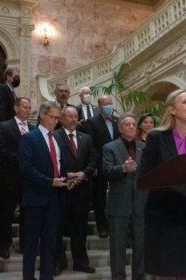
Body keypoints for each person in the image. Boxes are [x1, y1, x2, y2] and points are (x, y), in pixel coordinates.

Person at [138, 89, 186, 279]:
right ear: (172, 110)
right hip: (163, 215)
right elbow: (143, 177)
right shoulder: (156, 138)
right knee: (165, 272)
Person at [18, 101, 67, 280]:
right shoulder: (29, 138)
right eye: (53, 117)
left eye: (58, 118)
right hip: (35, 200)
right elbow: (26, 169)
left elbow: (59, 165)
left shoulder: (58, 139)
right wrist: (49, 182)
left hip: (55, 200)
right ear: (42, 115)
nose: (56, 121)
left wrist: (68, 176)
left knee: (50, 245)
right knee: (31, 245)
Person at [103, 113, 147, 280]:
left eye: (134, 124)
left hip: (140, 204)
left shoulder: (144, 147)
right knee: (117, 247)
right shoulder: (110, 147)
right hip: (118, 205)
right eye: (127, 124)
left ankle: (139, 277)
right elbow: (106, 172)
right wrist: (122, 168)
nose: (131, 127)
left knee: (141, 247)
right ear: (120, 128)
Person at [53, 106, 97, 276]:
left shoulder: (86, 138)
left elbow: (93, 159)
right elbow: (53, 161)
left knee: (80, 230)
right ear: (62, 118)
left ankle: (81, 262)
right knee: (57, 229)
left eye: (75, 116)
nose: (73, 119)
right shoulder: (55, 137)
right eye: (69, 116)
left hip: (82, 191)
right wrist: (67, 176)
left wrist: (84, 174)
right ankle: (58, 262)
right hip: (62, 190)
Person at [0, 97, 35, 259]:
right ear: (16, 108)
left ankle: (25, 245)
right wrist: (20, 157)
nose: (27, 109)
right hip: (10, 177)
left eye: (29, 107)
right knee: (6, 213)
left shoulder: (33, 128)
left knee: (27, 213)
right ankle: (3, 245)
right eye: (25, 107)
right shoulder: (4, 126)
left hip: (29, 179)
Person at [85, 95, 119, 238]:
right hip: (100, 165)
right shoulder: (92, 122)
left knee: (117, 194)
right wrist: (93, 166)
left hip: (117, 164)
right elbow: (90, 145)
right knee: (99, 197)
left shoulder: (117, 121)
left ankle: (116, 224)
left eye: (110, 104)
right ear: (99, 106)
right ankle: (102, 226)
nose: (109, 107)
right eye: (106, 104)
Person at [0, 66, 20, 134]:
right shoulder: (1, 89)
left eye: (18, 77)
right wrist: (4, 129)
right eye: (16, 76)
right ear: (8, 77)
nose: (18, 79)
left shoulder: (12, 92)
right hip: (1, 131)